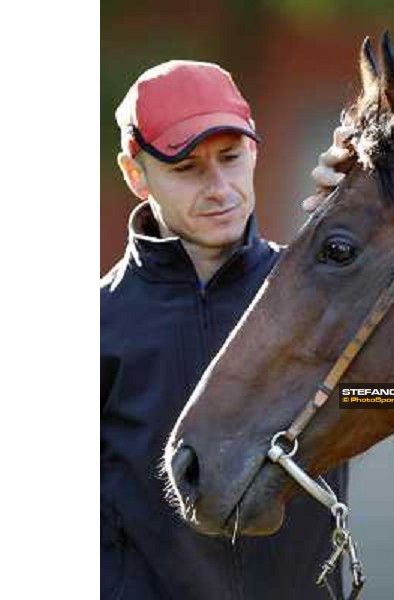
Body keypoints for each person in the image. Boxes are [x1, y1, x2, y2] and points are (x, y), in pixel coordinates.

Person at [101, 60, 351, 600]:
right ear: (135, 173)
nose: (221, 188)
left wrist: (370, 205)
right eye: (188, 168)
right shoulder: (99, 323)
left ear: (254, 151)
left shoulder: (317, 293)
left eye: (232, 159)